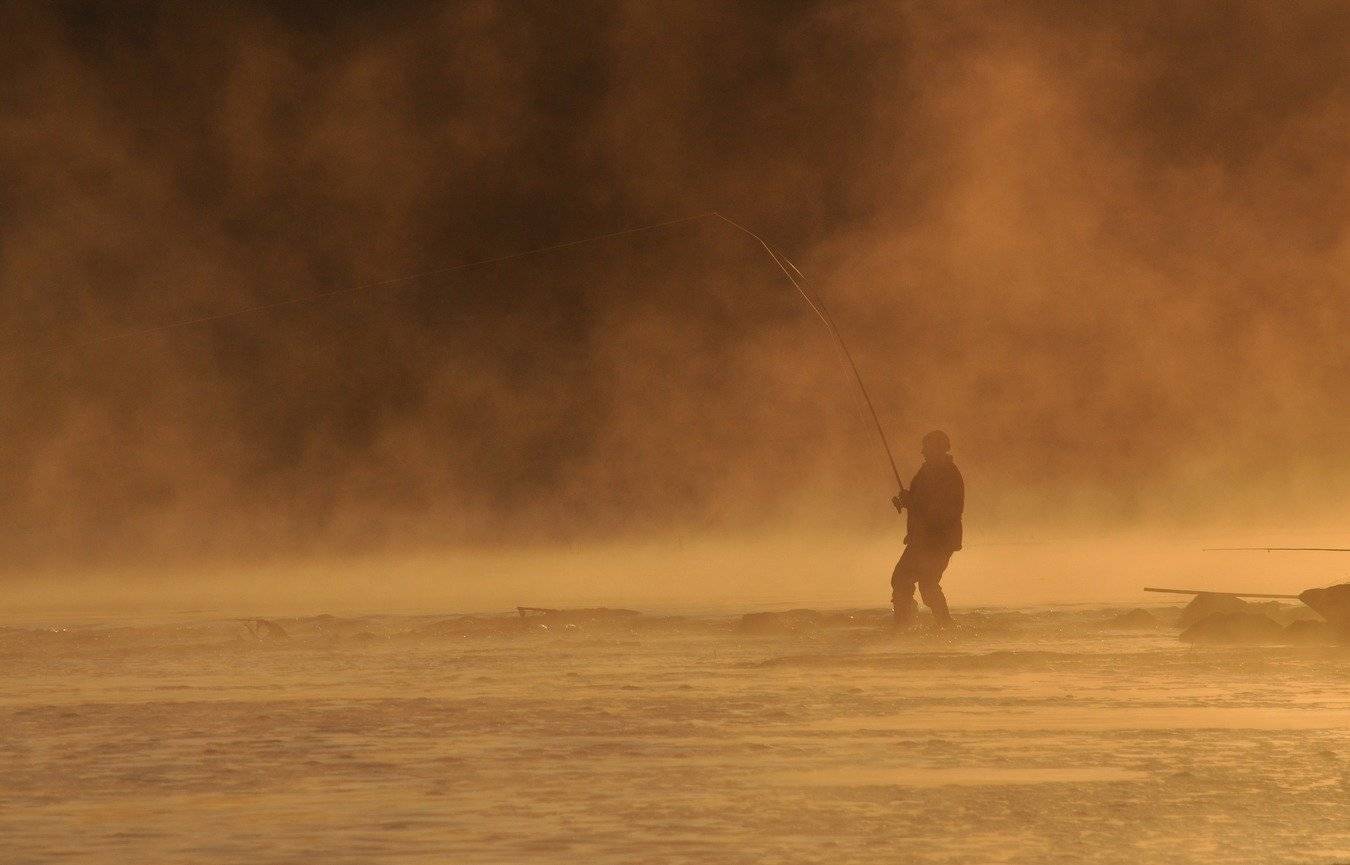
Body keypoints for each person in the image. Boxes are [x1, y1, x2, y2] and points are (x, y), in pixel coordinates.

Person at [890, 430, 964, 628]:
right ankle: (914, 623)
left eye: (926, 447)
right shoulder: (931, 471)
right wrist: (908, 501)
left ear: (938, 448)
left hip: (935, 541)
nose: (922, 451)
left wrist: (910, 502)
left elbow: (938, 509)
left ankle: (908, 625)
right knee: (913, 582)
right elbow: (923, 503)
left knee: (915, 582)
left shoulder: (945, 473)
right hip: (925, 540)